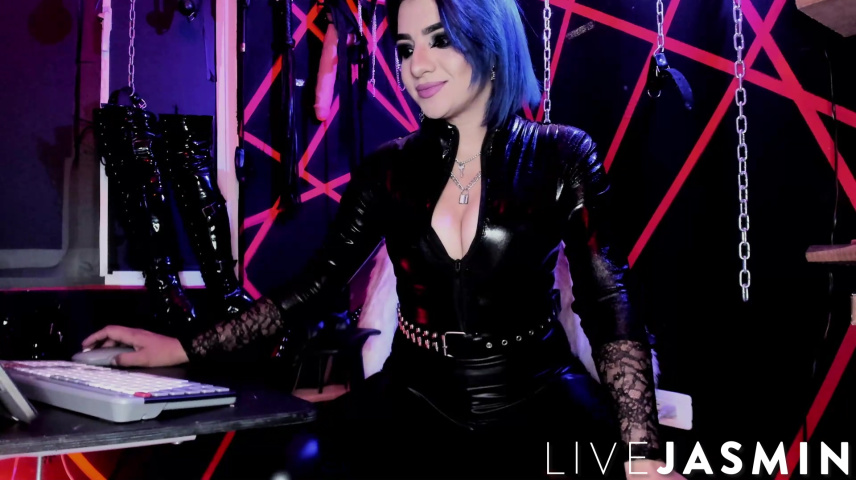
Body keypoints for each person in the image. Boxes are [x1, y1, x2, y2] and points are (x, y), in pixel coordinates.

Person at [84, 0, 686, 478]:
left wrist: (642, 452)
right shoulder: (387, 169)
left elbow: (609, 302)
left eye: (439, 40)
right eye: (405, 47)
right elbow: (315, 285)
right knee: (279, 466)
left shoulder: (562, 154)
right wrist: (182, 348)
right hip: (415, 395)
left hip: (537, 394)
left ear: (489, 38)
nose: (416, 65)